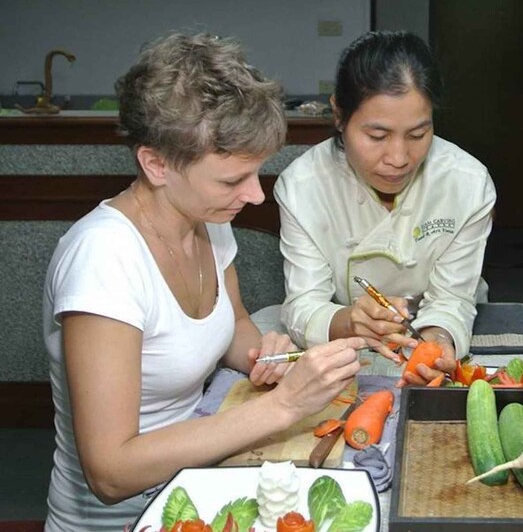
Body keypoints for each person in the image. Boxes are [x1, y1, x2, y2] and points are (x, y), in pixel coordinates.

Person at [42, 33, 364, 530]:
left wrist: (267, 355)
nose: (256, 196)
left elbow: (233, 325)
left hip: (200, 489)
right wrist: (282, 405)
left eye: (256, 173)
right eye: (233, 180)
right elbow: (110, 472)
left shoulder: (208, 221)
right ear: (156, 164)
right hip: (130, 517)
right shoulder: (103, 260)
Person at [274, 30, 496, 386]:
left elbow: (453, 297)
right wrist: (349, 320)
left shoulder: (466, 184)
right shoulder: (303, 186)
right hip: (349, 349)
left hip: (434, 333)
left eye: (417, 135)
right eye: (377, 136)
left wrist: (438, 340)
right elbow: (303, 304)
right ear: (339, 115)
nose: (398, 159)